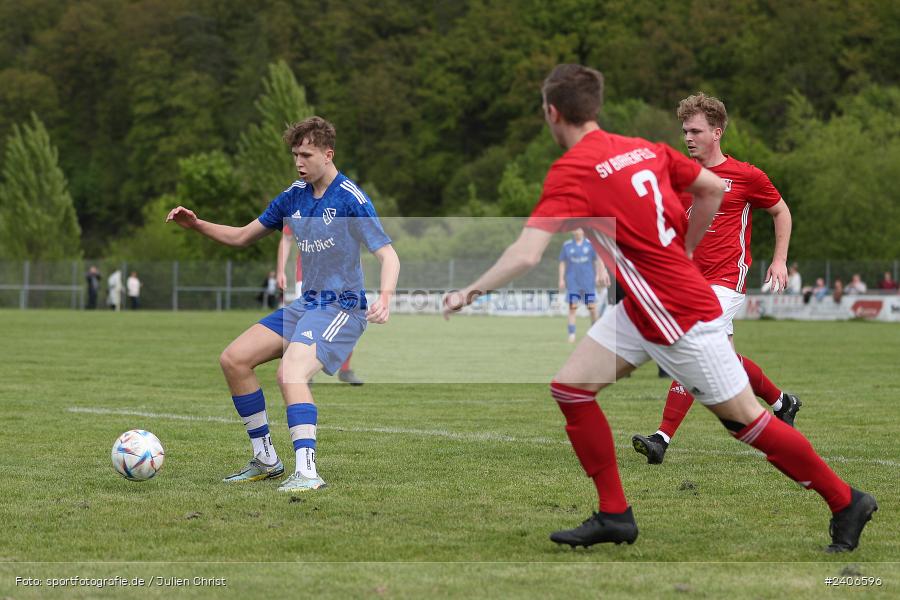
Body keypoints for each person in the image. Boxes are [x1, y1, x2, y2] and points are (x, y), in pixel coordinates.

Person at [443, 64, 875, 552]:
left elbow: (525, 254)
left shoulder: (572, 169)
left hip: (675, 312)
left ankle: (846, 501)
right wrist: (685, 249)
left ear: (552, 112)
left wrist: (468, 293)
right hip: (644, 306)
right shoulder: (642, 148)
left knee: (746, 422)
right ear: (595, 107)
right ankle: (614, 515)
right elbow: (711, 189)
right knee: (571, 389)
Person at [166, 116, 399, 492]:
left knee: (290, 373)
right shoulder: (293, 196)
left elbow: (389, 256)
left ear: (328, 154)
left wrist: (385, 298)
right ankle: (266, 459)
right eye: (295, 155)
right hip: (306, 306)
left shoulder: (350, 198)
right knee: (234, 359)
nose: (298, 162)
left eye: (306, 155)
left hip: (341, 308)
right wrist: (197, 225)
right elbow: (242, 236)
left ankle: (307, 472)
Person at [632, 92, 801, 466]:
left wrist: (779, 260)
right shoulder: (678, 176)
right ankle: (782, 402)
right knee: (723, 360)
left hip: (727, 279)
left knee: (691, 344)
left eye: (695, 131)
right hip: (691, 282)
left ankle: (661, 438)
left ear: (717, 132)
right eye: (684, 131)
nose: (688, 137)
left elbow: (781, 211)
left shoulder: (746, 176)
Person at [278, 224, 365, 385]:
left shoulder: (345, 212)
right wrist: (280, 270)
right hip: (308, 278)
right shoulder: (301, 210)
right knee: (303, 323)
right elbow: (287, 238)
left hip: (341, 279)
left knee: (349, 320)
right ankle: (302, 370)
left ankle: (345, 369)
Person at [558, 228, 610, 342]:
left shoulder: (590, 244)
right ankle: (571, 334)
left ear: (583, 231)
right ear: (572, 231)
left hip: (588, 283)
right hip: (573, 283)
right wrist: (561, 279)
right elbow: (562, 263)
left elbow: (596, 261)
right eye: (575, 230)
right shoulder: (567, 245)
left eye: (579, 229)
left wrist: (598, 274)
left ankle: (595, 333)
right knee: (572, 308)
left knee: (592, 308)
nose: (577, 231)